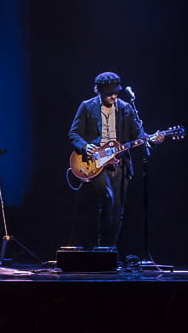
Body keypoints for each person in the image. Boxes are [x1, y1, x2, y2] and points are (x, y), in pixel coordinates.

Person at [68, 72, 164, 250]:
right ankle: (102, 247)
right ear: (99, 91)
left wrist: (153, 138)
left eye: (116, 93)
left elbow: (139, 135)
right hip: (95, 162)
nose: (113, 96)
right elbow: (73, 134)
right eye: (109, 93)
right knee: (107, 198)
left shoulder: (125, 108)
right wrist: (86, 146)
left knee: (118, 208)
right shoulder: (87, 106)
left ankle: (110, 249)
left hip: (120, 163)